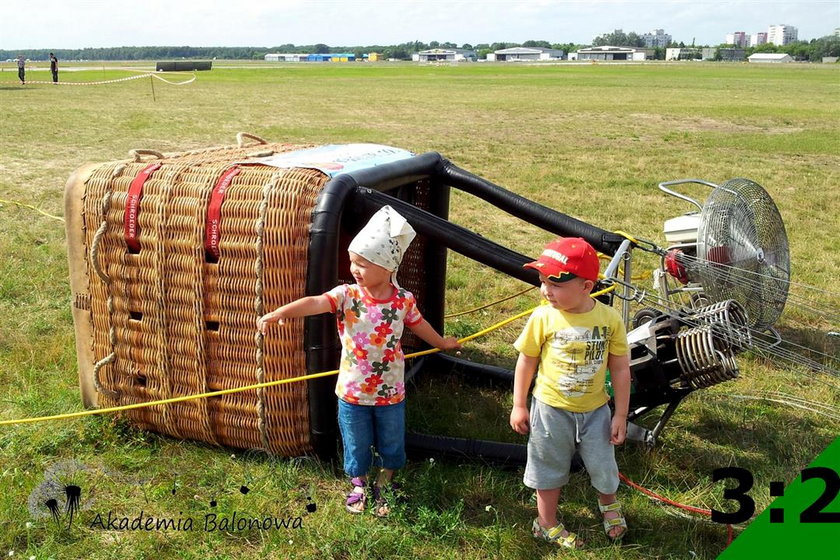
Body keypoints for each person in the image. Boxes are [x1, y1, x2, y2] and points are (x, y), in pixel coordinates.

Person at [258, 205, 461, 517]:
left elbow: (420, 325)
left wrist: (441, 343)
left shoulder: (402, 301)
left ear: (387, 266)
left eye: (363, 264)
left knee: (391, 439)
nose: (355, 268)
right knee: (356, 440)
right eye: (353, 262)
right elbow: (315, 301)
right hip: (352, 390)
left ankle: (386, 482)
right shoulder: (347, 295)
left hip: (390, 390)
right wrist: (282, 312)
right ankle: (359, 483)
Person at [509, 237, 630, 549]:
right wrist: (519, 405)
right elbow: (526, 360)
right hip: (550, 410)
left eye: (556, 284)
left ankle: (609, 505)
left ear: (586, 287)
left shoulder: (609, 320)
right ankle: (545, 523)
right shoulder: (543, 317)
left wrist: (620, 414)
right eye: (543, 281)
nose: (546, 290)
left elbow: (619, 369)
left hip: (596, 412)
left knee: (604, 466)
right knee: (547, 466)